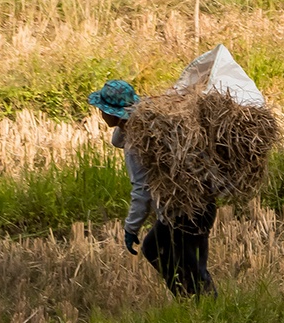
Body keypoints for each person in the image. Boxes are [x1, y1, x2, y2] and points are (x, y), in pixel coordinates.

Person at [89, 78, 217, 299]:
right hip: (196, 204)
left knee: (194, 270)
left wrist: (131, 228)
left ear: (115, 113)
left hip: (186, 211)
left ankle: (204, 310)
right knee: (154, 248)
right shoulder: (147, 125)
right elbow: (117, 140)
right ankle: (188, 302)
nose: (100, 114)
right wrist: (125, 122)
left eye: (103, 110)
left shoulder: (137, 144)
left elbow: (142, 191)